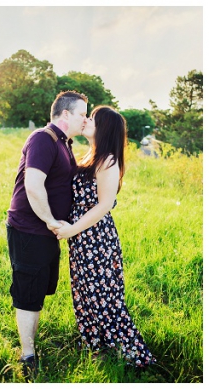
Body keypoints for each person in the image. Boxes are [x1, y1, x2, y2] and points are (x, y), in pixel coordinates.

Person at [53, 106, 155, 367]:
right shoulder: (90, 154)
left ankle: (131, 355)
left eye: (93, 119)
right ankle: (95, 345)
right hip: (82, 239)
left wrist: (71, 230)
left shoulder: (108, 160)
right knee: (85, 293)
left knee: (104, 297)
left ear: (105, 128)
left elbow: (105, 204)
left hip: (97, 239)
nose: (86, 120)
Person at [5, 90, 87, 375]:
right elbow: (33, 185)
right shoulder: (43, 138)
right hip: (31, 229)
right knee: (28, 293)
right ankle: (27, 356)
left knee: (39, 289)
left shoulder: (64, 142)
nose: (85, 120)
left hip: (47, 231)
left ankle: (31, 345)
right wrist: (52, 221)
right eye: (82, 114)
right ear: (65, 114)